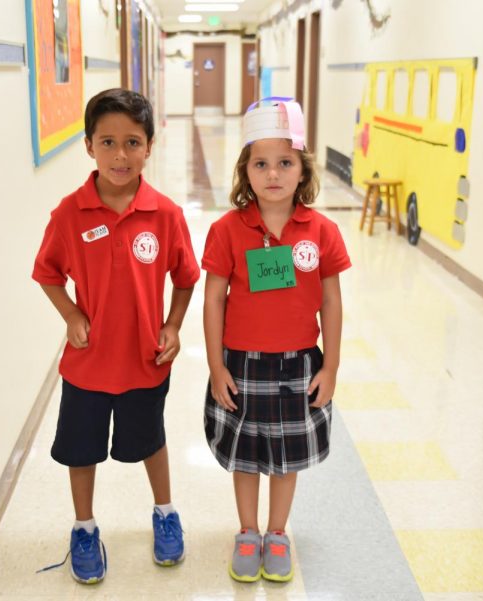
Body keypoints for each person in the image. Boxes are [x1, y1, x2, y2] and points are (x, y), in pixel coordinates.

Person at [32, 88, 199, 584]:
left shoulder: (165, 215)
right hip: (87, 364)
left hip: (145, 361)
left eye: (132, 142)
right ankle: (84, 528)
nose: (120, 155)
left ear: (150, 146)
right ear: (88, 146)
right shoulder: (69, 213)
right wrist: (70, 315)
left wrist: (172, 325)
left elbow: (186, 277)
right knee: (81, 449)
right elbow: (46, 273)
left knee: (151, 441)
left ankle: (165, 513)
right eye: (107, 142)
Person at [201, 97, 351, 583]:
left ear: (302, 170)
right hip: (241, 364)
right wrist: (216, 366)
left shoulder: (321, 232)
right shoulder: (226, 231)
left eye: (285, 163)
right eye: (260, 163)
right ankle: (248, 531)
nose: (273, 174)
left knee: (286, 459)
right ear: (245, 171)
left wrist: (330, 367)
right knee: (245, 456)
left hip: (298, 365)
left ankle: (278, 532)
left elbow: (331, 302)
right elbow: (214, 301)